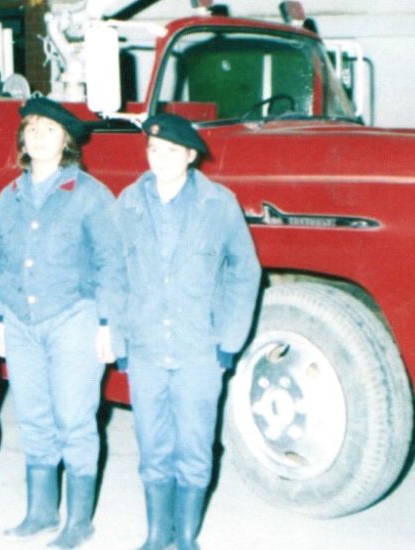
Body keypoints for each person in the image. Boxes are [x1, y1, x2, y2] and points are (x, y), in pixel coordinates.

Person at [116, 114, 261, 550]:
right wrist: (121, 339)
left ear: (191, 156)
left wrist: (228, 342)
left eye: (171, 152)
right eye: (153, 150)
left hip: (200, 348)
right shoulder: (128, 201)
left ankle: (187, 539)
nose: (159, 159)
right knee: (153, 448)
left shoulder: (218, 203)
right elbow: (116, 274)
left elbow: (245, 271)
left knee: (195, 450)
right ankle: (157, 535)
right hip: (145, 348)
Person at [0, 98, 124, 548]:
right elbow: (0, 262)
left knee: (74, 419)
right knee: (32, 417)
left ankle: (78, 521)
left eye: (49, 130)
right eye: (31, 129)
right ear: (22, 139)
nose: (38, 136)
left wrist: (107, 324)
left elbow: (111, 263)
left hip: (73, 318)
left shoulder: (89, 194)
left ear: (66, 141)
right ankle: (40, 512)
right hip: (21, 319)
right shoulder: (8, 196)